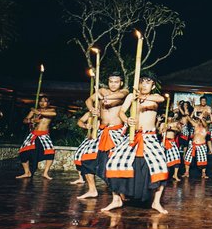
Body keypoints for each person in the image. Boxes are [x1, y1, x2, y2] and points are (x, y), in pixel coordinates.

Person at [103, 72, 169, 214]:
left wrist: (143, 97)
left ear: (152, 85)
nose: (144, 85)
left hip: (149, 137)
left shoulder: (154, 98)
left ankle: (156, 202)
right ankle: (116, 199)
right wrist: (127, 120)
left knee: (161, 166)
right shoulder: (131, 97)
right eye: (142, 81)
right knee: (113, 162)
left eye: (148, 82)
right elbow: (121, 112)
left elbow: (161, 98)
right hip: (133, 136)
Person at [78, 71, 129, 199]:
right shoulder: (102, 91)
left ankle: (120, 192)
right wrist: (92, 109)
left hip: (116, 132)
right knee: (86, 158)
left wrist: (104, 96)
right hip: (101, 131)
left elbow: (119, 96)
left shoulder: (125, 92)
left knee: (116, 161)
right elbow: (88, 100)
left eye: (116, 82)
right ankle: (92, 190)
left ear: (121, 83)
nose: (113, 84)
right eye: (111, 81)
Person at [16, 96, 57, 180]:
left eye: (45, 101)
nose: (42, 103)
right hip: (33, 134)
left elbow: (53, 114)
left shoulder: (51, 110)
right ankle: (27, 172)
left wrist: (38, 112)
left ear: (48, 103)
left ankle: (45, 173)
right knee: (23, 152)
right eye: (41, 101)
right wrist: (31, 121)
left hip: (44, 134)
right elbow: (25, 120)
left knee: (50, 153)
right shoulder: (33, 111)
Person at [182, 111, 209, 178]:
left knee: (203, 160)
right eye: (199, 118)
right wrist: (186, 113)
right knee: (187, 159)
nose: (200, 120)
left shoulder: (206, 127)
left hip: (201, 145)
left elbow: (205, 124)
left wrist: (201, 118)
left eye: (203, 118)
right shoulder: (196, 125)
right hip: (193, 144)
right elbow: (190, 120)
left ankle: (203, 173)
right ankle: (187, 172)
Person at [71, 111, 93, 185]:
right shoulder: (90, 113)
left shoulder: (106, 111)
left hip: (102, 137)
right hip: (90, 137)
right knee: (78, 155)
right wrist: (85, 125)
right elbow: (80, 121)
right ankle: (81, 178)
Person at [160, 107, 182, 182]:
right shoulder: (163, 124)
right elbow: (160, 132)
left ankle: (175, 175)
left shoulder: (175, 123)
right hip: (164, 142)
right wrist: (163, 129)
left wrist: (170, 128)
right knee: (163, 159)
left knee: (177, 157)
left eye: (171, 117)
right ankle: (163, 175)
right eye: (168, 117)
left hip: (172, 142)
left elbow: (179, 130)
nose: (169, 118)